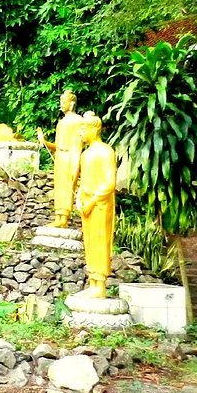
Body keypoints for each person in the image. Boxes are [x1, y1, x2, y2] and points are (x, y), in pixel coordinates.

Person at [77, 112, 117, 298]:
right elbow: (83, 181)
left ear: (95, 128)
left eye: (84, 128)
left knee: (101, 242)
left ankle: (100, 285)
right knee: (90, 243)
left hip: (100, 204)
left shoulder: (106, 151)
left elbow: (109, 182)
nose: (81, 133)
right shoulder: (85, 154)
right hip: (87, 205)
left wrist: (93, 200)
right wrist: (79, 198)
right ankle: (92, 281)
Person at [37, 90, 84, 227]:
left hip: (70, 155)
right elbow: (57, 146)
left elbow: (78, 145)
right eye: (61, 102)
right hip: (60, 156)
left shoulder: (78, 121)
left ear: (72, 104)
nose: (61, 105)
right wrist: (44, 141)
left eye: (64, 102)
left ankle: (64, 219)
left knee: (68, 185)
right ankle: (58, 217)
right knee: (59, 187)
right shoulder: (61, 123)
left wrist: (76, 162)